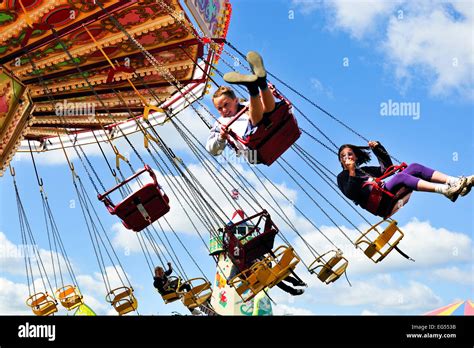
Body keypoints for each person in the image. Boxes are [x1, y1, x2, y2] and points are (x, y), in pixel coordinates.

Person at [337, 141, 473, 215]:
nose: (347, 157)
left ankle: (456, 182)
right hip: (380, 205)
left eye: (350, 154)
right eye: (343, 156)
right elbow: (350, 193)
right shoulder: (342, 177)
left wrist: (379, 149)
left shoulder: (364, 171)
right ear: (340, 161)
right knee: (401, 177)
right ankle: (446, 190)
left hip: (387, 195)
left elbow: (386, 169)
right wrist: (351, 172)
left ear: (355, 157)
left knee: (415, 167)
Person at [206, 51, 276, 161]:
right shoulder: (220, 124)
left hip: (272, 125)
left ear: (236, 100)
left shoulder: (248, 105)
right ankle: (256, 86)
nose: (224, 110)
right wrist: (222, 137)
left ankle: (261, 85)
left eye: (226, 104)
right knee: (256, 119)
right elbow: (212, 150)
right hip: (254, 147)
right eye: (219, 108)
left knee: (267, 110)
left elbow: (267, 108)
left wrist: (269, 93)